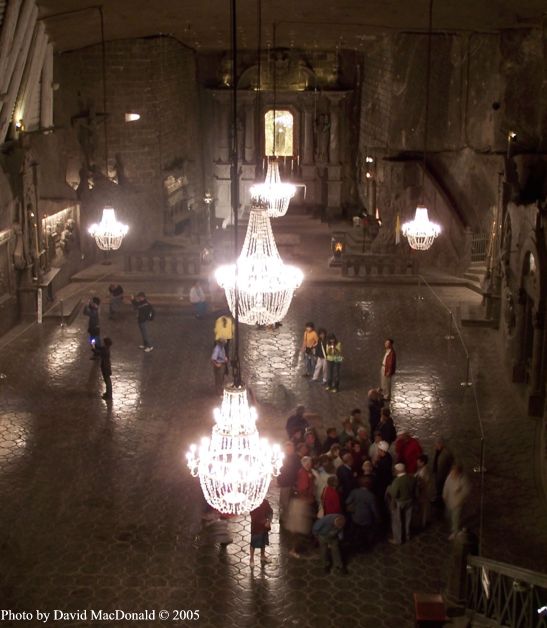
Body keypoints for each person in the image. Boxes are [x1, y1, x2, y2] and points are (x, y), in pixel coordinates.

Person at [286, 457, 315, 558]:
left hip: (302, 503)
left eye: (310, 462)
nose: (309, 464)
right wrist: (307, 498)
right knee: (297, 529)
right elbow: (303, 488)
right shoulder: (303, 473)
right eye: (307, 463)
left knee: (299, 529)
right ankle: (294, 549)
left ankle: (297, 548)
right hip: (301, 504)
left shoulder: (306, 471)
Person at [346, 476, 380, 551]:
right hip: (367, 519)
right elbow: (374, 510)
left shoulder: (354, 491)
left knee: (356, 533)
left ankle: (355, 546)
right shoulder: (371, 495)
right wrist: (378, 518)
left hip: (355, 517)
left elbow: (347, 502)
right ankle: (364, 548)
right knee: (365, 535)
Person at [386, 463, 416, 544]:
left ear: (397, 471)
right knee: (407, 520)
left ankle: (397, 539)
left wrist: (389, 488)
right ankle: (407, 536)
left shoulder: (397, 481)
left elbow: (394, 494)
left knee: (397, 521)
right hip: (409, 501)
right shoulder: (411, 478)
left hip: (400, 502)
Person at [442, 464, 471, 540]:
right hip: (449, 500)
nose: (452, 474)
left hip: (457, 502)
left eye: (454, 472)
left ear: (459, 473)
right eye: (452, 471)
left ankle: (455, 532)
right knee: (448, 516)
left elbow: (466, 491)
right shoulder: (450, 476)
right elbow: (446, 485)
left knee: (455, 518)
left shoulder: (463, 479)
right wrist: (444, 495)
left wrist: (460, 499)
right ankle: (453, 527)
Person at [277, 441, 301, 526]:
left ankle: (290, 518)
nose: (289, 449)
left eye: (290, 448)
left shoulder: (296, 458)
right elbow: (279, 470)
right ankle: (284, 518)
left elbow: (297, 470)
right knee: (284, 502)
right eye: (287, 448)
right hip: (285, 483)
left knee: (292, 502)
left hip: (293, 482)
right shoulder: (282, 457)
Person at [249, 499, 273, 566]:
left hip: (264, 525)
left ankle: (262, 556)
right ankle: (251, 558)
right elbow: (251, 513)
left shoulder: (265, 502)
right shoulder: (252, 502)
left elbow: (270, 511)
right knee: (253, 542)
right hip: (255, 526)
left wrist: (269, 521)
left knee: (263, 540)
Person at [432, 437, 455, 503]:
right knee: (438, 486)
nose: (436, 446)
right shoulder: (438, 451)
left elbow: (451, 463)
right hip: (437, 472)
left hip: (443, 474)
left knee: (442, 487)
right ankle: (438, 498)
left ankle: (441, 500)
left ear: (441, 444)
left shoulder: (446, 453)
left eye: (437, 444)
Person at [415, 454, 434, 528]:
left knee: (424, 509)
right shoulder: (423, 469)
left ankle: (424, 524)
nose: (417, 463)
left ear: (422, 463)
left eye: (418, 462)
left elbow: (422, 483)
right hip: (424, 493)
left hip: (424, 493)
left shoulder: (424, 471)